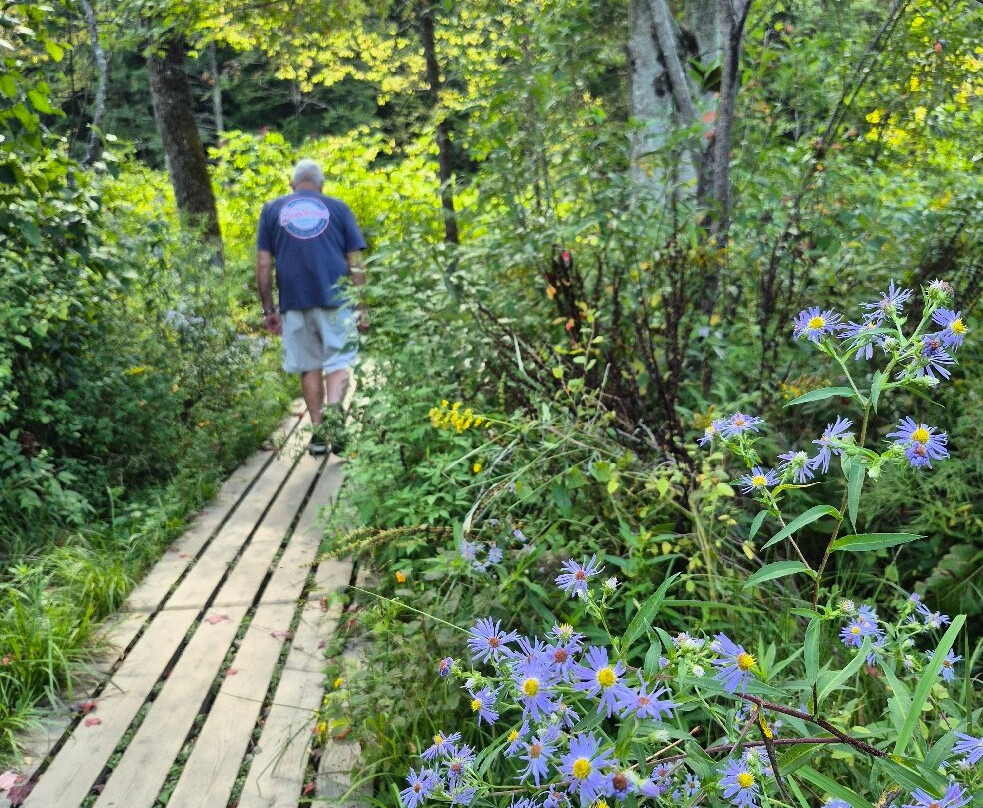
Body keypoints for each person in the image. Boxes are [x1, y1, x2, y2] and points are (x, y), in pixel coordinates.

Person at [256, 158, 368, 455]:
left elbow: (264, 263)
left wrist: (269, 310)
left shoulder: (272, 210)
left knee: (308, 367)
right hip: (337, 300)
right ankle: (335, 422)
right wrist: (361, 305)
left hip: (294, 301)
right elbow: (355, 260)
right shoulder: (338, 207)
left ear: (292, 186)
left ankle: (318, 434)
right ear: (321, 186)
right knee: (337, 363)